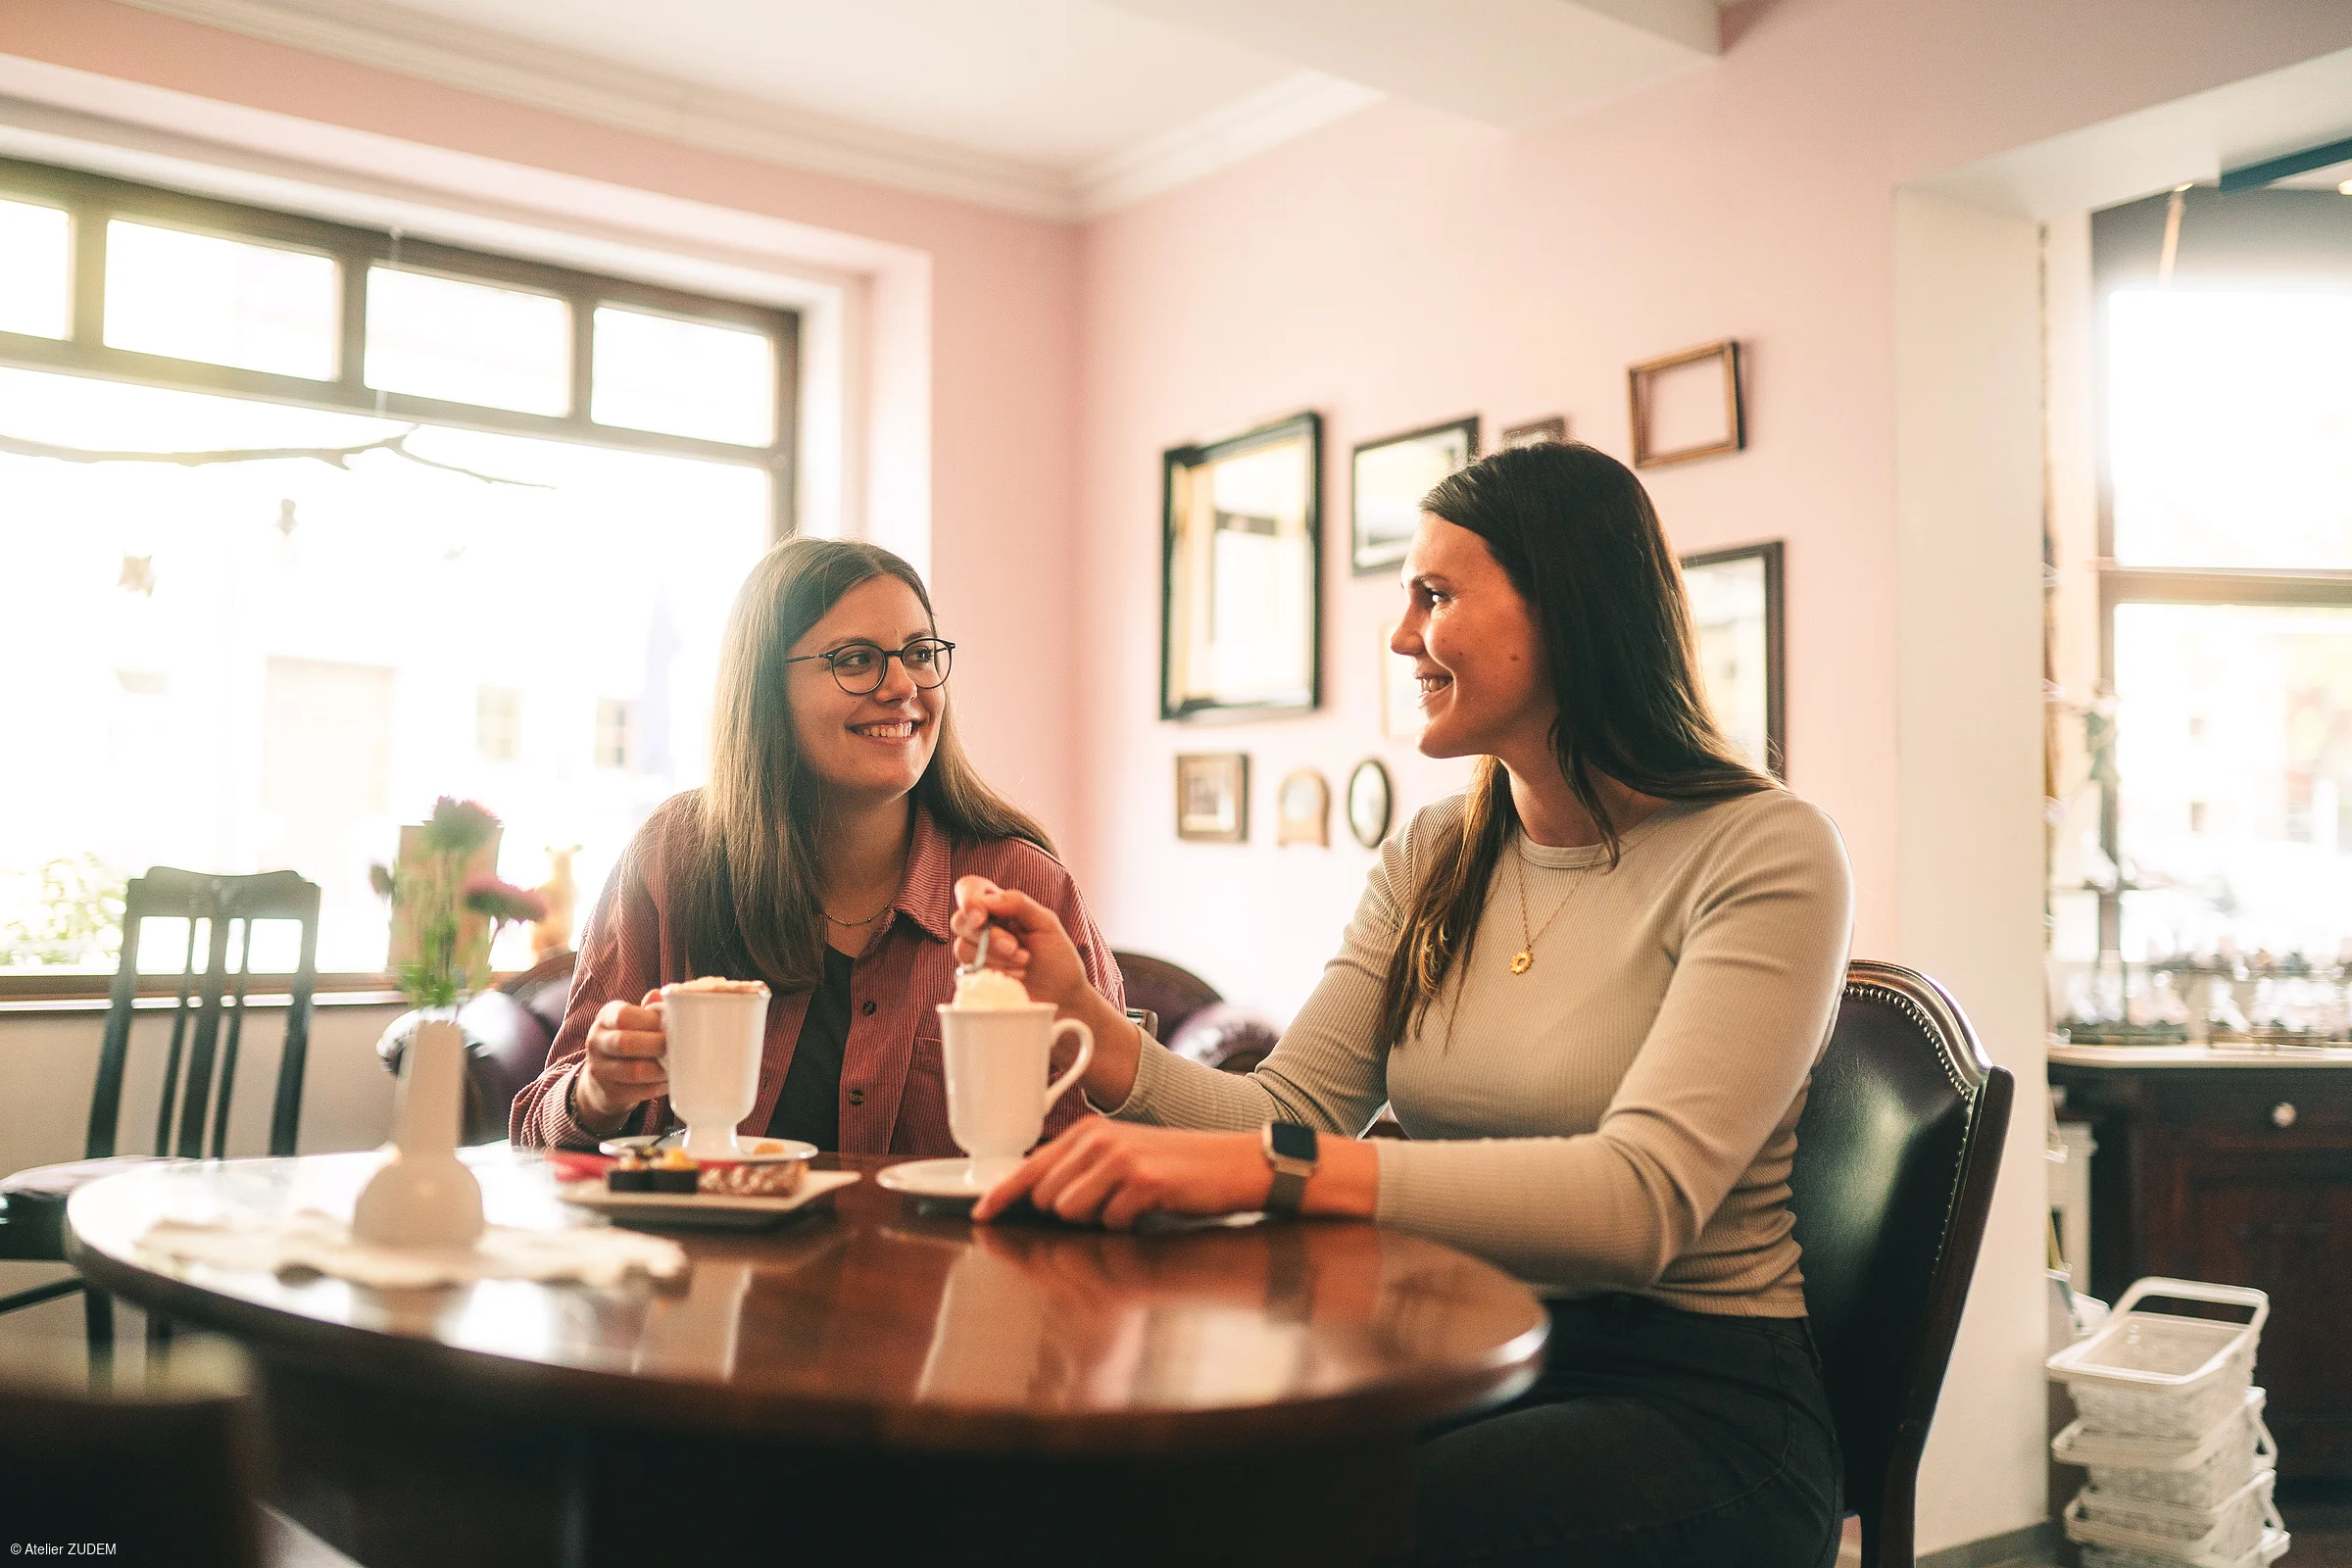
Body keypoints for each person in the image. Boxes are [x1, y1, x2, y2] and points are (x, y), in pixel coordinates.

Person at [952, 443, 1851, 1567]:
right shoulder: (1435, 852)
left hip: (1695, 1397)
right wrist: (1084, 1016)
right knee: (1166, 1484)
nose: (1399, 635)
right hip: (1455, 1344)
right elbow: (1292, 1105)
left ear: (1567, 605)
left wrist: (1282, 1173)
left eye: (1435, 594)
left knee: (1341, 1525)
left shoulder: (1766, 849)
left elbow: (1640, 1204)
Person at [513, 538, 1119, 1155]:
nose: (903, 686)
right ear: (765, 689)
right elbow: (536, 1133)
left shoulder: (1022, 885)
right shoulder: (674, 857)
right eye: (857, 659)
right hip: (705, 1250)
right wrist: (596, 1092)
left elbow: (1111, 1142)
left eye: (919, 653)